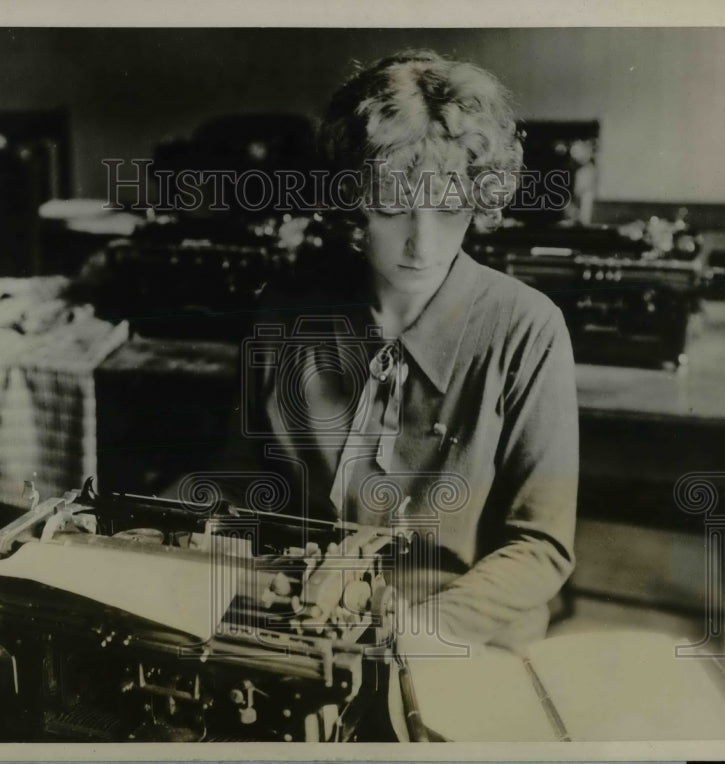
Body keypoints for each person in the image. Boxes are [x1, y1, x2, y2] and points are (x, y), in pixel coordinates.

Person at [226, 49, 579, 652]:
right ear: (354, 202)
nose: (423, 242)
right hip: (303, 629)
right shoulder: (286, 313)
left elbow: (541, 546)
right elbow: (241, 483)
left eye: (448, 209)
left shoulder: (528, 328)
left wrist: (421, 633)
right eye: (393, 207)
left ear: (480, 199)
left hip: (459, 640)